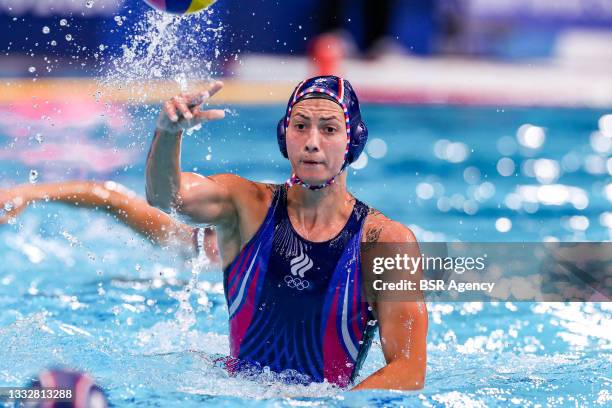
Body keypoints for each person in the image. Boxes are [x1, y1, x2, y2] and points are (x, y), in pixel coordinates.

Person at [146, 76, 428, 390]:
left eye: (329, 129)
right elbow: (165, 197)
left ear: (354, 141)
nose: (311, 141)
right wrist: (168, 135)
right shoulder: (247, 206)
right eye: (300, 126)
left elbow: (408, 370)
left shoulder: (383, 243)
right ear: (284, 135)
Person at [0, 180, 219, 263]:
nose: (210, 241)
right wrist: (27, 194)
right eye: (208, 230)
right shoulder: (189, 240)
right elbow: (110, 199)